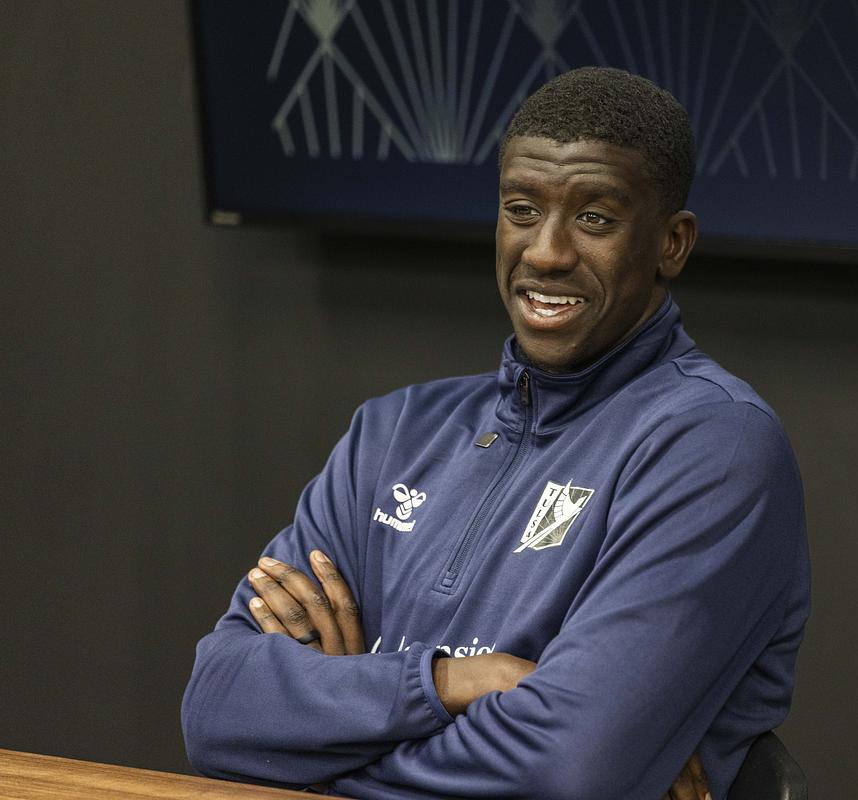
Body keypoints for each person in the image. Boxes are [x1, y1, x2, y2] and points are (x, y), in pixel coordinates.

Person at [182, 66, 810, 800]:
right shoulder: (392, 432)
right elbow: (216, 711)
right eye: (521, 210)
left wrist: (321, 745)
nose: (545, 252)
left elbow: (564, 771)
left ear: (672, 243)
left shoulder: (715, 446)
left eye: (595, 219)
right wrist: (447, 682)